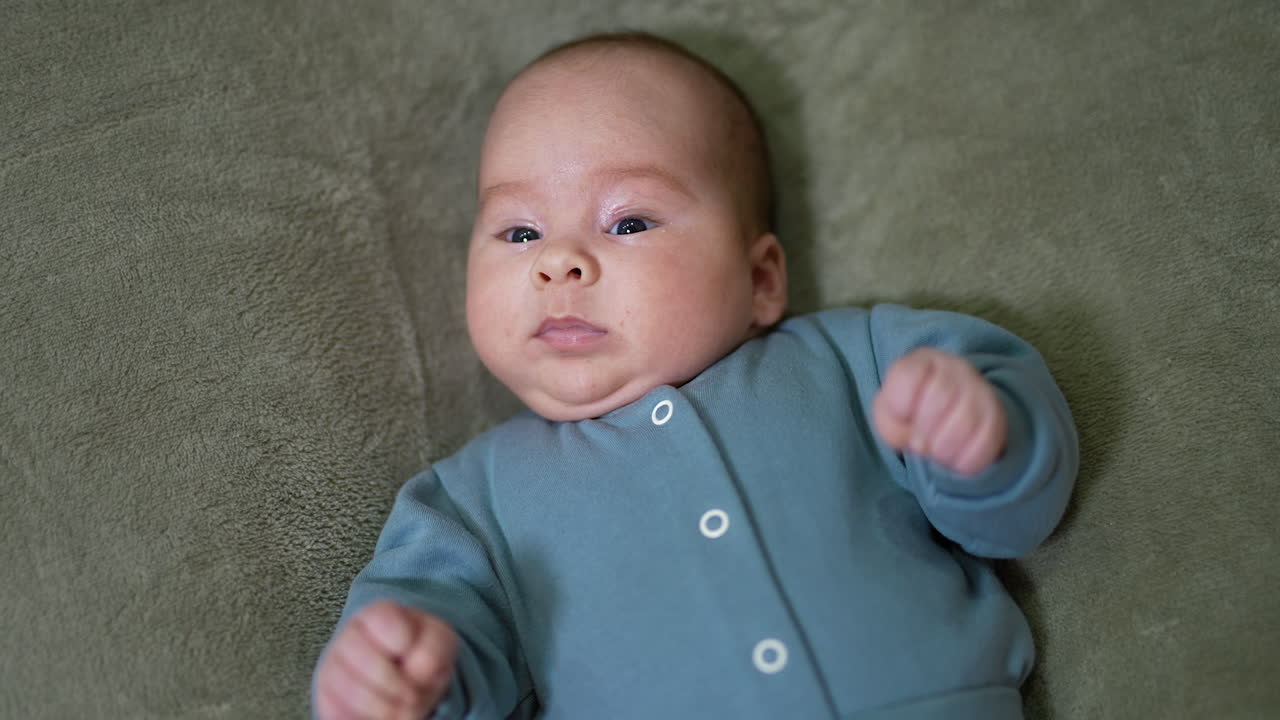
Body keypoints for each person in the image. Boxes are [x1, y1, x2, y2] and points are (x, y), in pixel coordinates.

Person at [312, 31, 1077, 720]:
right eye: (520, 231)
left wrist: (984, 433)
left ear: (762, 277)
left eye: (629, 222)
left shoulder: (860, 361)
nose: (559, 261)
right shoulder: (475, 503)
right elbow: (435, 638)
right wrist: (398, 678)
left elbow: (1014, 519)